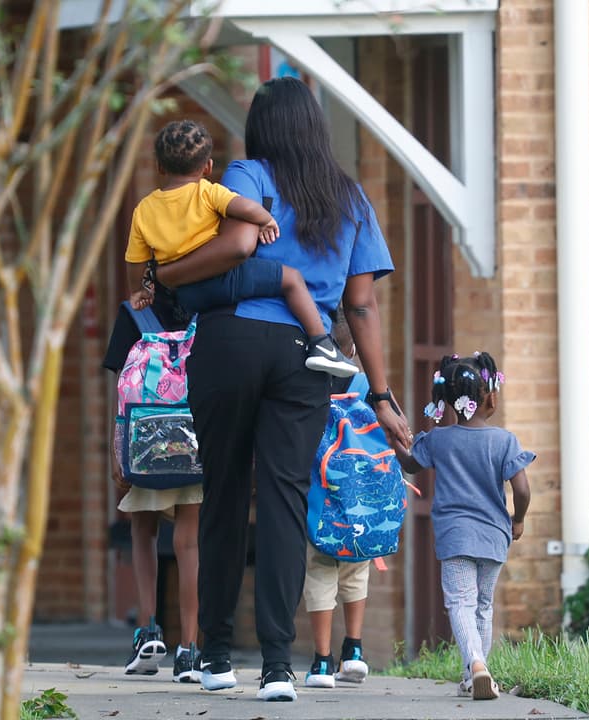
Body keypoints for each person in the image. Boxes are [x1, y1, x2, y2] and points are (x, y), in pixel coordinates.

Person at [149, 77, 413, 702]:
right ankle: (276, 666)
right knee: (285, 502)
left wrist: (168, 276)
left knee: (222, 493)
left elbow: (235, 244)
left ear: (260, 128)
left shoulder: (247, 174)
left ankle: (215, 655)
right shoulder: (349, 196)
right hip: (305, 354)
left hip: (231, 340)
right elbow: (362, 305)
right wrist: (380, 395)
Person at [125, 119, 357, 378]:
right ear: (208, 166)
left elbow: (135, 260)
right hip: (222, 277)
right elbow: (242, 206)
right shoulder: (207, 192)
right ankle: (322, 344)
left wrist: (140, 290)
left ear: (159, 166)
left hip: (187, 294)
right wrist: (265, 219)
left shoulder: (143, 210)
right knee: (291, 279)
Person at [392, 351, 534, 702]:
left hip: (455, 534)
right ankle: (475, 674)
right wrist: (518, 519)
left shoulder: (438, 439)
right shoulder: (504, 441)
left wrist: (395, 438)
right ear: (491, 398)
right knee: (483, 605)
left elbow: (410, 463)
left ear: (447, 399)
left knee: (460, 602)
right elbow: (522, 489)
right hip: (494, 535)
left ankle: (475, 665)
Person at [105, 296, 203, 683]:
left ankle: (148, 631)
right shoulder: (207, 307)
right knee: (189, 543)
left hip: (145, 439)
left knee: (142, 530)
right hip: (193, 441)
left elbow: (119, 388)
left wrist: (117, 448)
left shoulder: (134, 314)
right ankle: (190, 649)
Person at [303, 313, 371, 689]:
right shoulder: (365, 384)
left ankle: (322, 661)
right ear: (354, 348)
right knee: (356, 569)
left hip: (317, 496)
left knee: (319, 570)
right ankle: (355, 649)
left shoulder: (306, 381)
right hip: (358, 495)